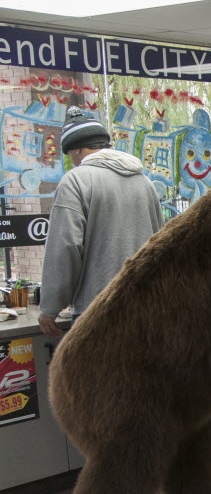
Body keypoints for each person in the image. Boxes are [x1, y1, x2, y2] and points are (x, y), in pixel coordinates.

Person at [38, 107, 163, 338]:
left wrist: (50, 307)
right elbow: (160, 243)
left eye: (70, 155)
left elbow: (65, 247)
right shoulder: (144, 182)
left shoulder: (76, 180)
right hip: (146, 309)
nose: (72, 161)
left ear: (76, 149)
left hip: (97, 311)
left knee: (99, 374)